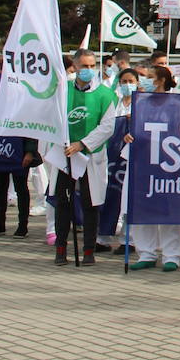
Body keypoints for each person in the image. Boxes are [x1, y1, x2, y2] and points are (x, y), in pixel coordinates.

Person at [51, 49, 118, 266]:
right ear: (75, 66)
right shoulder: (62, 90)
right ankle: (61, 248)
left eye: (92, 66)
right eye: (84, 66)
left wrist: (82, 144)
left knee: (91, 203)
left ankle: (89, 249)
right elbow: (53, 118)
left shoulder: (105, 95)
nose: (89, 70)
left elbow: (107, 127)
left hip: (90, 155)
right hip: (64, 154)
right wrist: (63, 143)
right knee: (62, 202)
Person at [128, 66, 180, 272]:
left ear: (161, 80)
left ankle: (172, 254)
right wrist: (130, 136)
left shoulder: (177, 105)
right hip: (144, 164)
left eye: (149, 77)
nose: (144, 80)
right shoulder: (140, 103)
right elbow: (135, 130)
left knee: (170, 212)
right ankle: (147, 252)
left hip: (168, 166)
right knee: (144, 210)